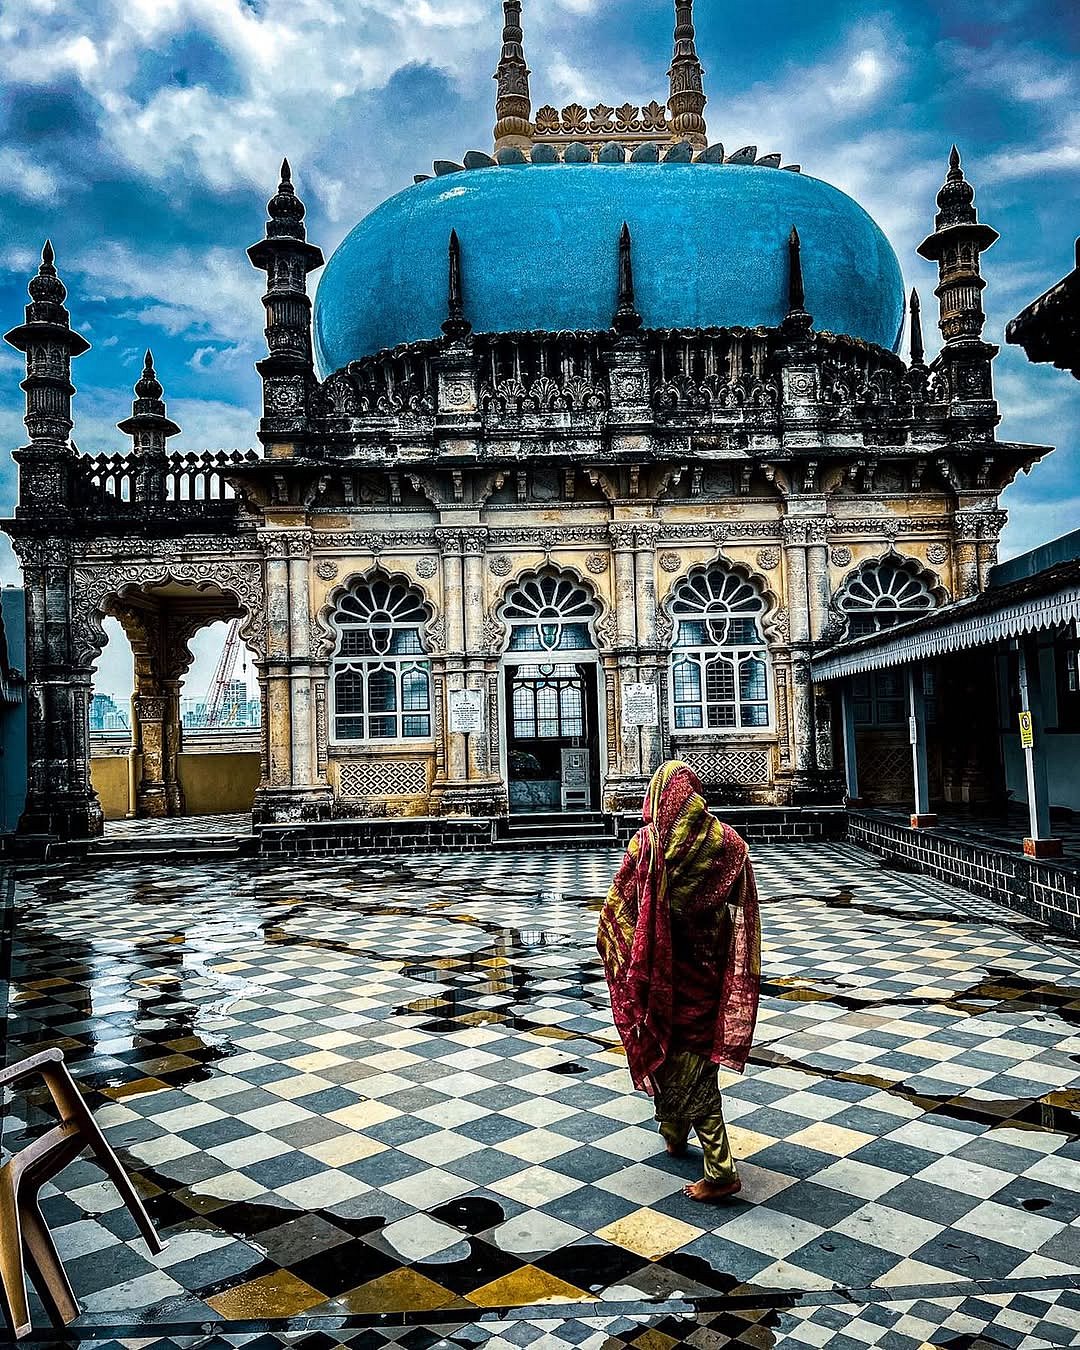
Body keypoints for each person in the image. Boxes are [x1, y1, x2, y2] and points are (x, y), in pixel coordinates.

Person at [597, 760, 761, 1202]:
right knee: (692, 1055)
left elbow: (618, 910)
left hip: (658, 971)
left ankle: (721, 1170)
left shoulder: (647, 845)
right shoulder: (728, 845)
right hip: (705, 967)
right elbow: (739, 912)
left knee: (671, 1052)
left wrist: (633, 954)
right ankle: (673, 1129)